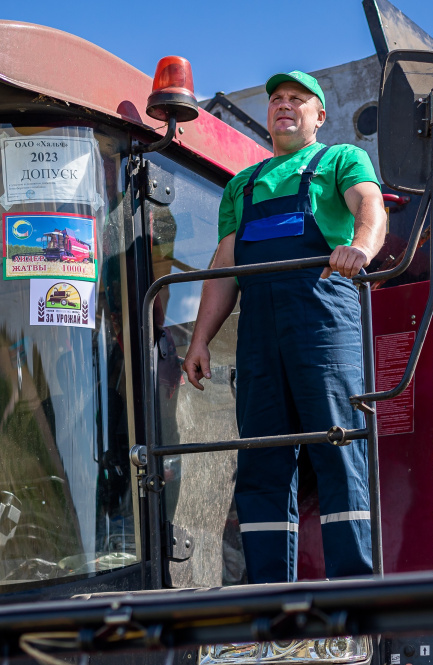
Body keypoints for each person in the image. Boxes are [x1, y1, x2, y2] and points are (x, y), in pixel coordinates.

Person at [181, 70, 387, 583]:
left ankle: (353, 591)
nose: (285, 106)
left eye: (298, 99)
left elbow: (369, 205)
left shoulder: (341, 160)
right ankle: (269, 596)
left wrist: (360, 248)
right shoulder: (241, 186)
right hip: (258, 335)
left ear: (320, 115)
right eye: (276, 99)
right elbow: (224, 264)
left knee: (338, 447)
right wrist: (201, 338)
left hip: (322, 317)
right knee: (261, 461)